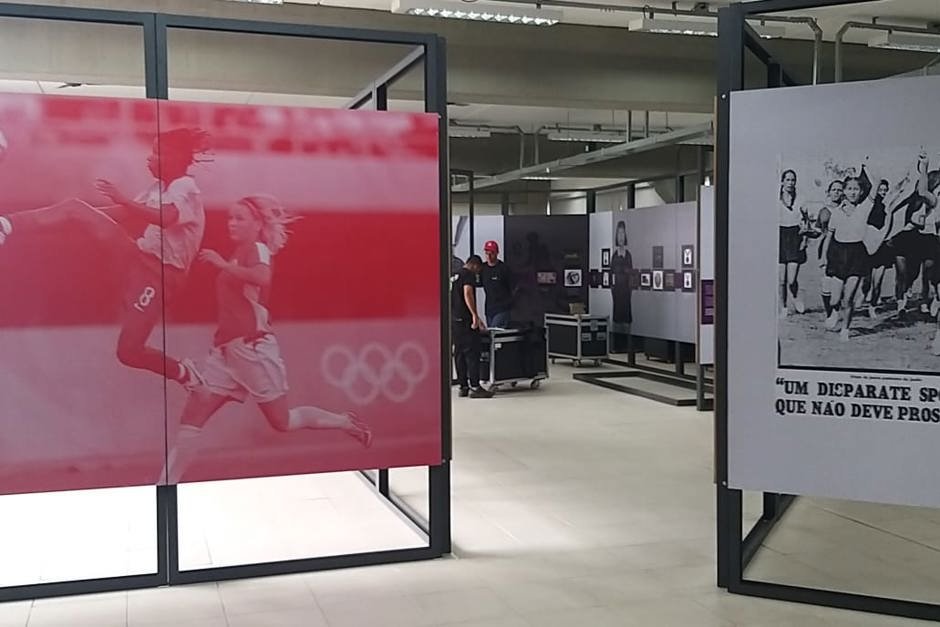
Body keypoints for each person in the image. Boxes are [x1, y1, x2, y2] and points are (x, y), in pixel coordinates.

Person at [162, 195, 371, 483]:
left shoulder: (257, 249)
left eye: (240, 218)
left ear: (258, 224)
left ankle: (344, 421)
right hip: (225, 352)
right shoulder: (239, 251)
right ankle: (165, 484)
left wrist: (222, 265)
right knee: (192, 417)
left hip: (253, 349)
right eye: (230, 218)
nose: (232, 223)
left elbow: (263, 278)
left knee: (282, 422)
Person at [0, 128, 210, 389]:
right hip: (137, 256)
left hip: (162, 276)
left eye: (157, 153)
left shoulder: (186, 188)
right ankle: (6, 224)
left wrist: (113, 202)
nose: (149, 158)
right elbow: (123, 213)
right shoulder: (159, 187)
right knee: (74, 208)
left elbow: (165, 218)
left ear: (177, 157)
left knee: (129, 352)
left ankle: (183, 372)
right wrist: (81, 217)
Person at [821, 158, 917, 341]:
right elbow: (829, 237)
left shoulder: (865, 208)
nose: (852, 192)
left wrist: (870, 165)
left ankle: (846, 330)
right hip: (838, 254)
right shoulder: (836, 213)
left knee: (848, 298)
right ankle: (834, 312)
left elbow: (877, 182)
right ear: (843, 192)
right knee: (834, 300)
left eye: (856, 189)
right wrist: (824, 258)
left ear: (861, 192)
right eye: (849, 189)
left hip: (857, 254)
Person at [452, 254, 492, 398]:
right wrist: (474, 315)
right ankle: (475, 387)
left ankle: (463, 386)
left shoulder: (454, 275)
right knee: (472, 353)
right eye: (478, 270)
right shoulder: (468, 275)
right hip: (465, 320)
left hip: (454, 320)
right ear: (475, 265)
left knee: (459, 353)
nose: (477, 273)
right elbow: (468, 292)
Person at [778, 170, 809, 317]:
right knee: (782, 280)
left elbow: (806, 222)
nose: (790, 183)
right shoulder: (775, 198)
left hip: (795, 237)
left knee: (791, 279)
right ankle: (783, 307)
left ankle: (796, 298)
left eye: (793, 180)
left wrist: (804, 240)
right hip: (779, 236)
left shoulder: (801, 199)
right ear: (782, 181)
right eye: (788, 180)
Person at [480, 240, 513, 328]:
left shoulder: (504, 269)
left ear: (497, 253)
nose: (489, 256)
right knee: (491, 334)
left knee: (494, 331)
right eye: (487, 254)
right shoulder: (482, 268)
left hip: (502, 308)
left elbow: (512, 286)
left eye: (492, 253)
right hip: (489, 308)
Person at [610, 220, 633, 333]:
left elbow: (631, 275)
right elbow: (611, 276)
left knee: (626, 319)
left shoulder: (628, 255)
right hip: (617, 294)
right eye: (619, 233)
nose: (621, 237)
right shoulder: (614, 256)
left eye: (622, 233)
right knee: (617, 318)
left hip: (626, 294)